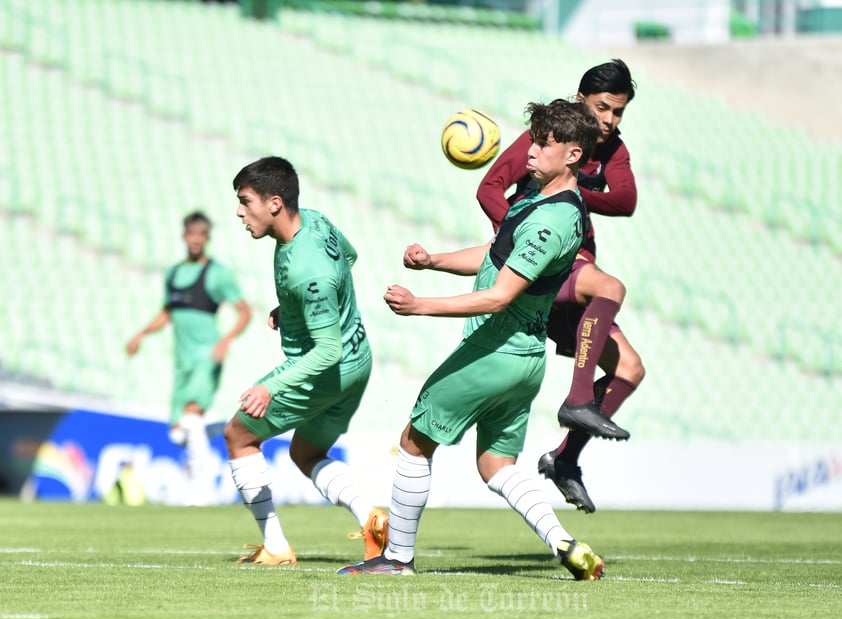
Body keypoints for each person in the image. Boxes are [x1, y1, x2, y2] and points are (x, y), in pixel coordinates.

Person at [339, 100, 604, 580]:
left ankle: (397, 559)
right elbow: (496, 253)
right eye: (535, 138)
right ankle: (565, 544)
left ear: (572, 155)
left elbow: (501, 294)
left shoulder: (554, 218)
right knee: (495, 463)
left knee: (415, 442)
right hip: (524, 358)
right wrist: (434, 260)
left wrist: (422, 304)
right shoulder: (540, 200)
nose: (531, 151)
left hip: (495, 349)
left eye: (545, 143)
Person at [476, 59, 646, 514]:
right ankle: (577, 399)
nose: (610, 121)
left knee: (629, 370)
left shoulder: (611, 151)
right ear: (580, 99)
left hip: (573, 267)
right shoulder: (551, 139)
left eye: (619, 112)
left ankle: (564, 460)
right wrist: (512, 231)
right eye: (603, 108)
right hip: (551, 262)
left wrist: (569, 188)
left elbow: (625, 201)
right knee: (608, 287)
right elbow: (490, 187)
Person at [224, 156, 387, 566]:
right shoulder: (316, 221)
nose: (239, 212)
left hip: (326, 370)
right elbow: (348, 258)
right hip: (358, 361)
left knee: (238, 436)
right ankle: (370, 518)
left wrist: (269, 387)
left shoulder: (304, 271)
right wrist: (295, 308)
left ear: (274, 202)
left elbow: (325, 349)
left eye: (246, 202)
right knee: (306, 453)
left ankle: (276, 547)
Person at [126, 211, 252, 505]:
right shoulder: (173, 274)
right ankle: (222, 424)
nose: (196, 240)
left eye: (201, 235)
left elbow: (244, 311)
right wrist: (141, 334)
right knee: (177, 433)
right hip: (181, 360)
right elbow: (167, 313)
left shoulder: (217, 273)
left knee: (191, 415)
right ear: (184, 236)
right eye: (191, 234)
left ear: (207, 239)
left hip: (206, 355)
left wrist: (226, 339)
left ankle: (200, 487)